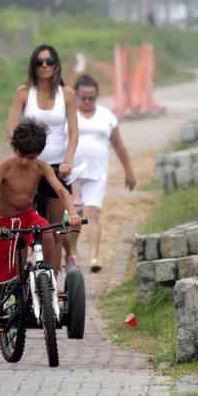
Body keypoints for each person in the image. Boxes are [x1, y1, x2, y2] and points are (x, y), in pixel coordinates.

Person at [0, 118, 81, 363]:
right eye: (23, 156)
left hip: (28, 217)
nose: (26, 162)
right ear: (14, 148)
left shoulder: (41, 167)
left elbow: (61, 191)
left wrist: (72, 213)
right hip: (5, 223)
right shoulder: (4, 167)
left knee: (47, 232)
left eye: (32, 157)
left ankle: (46, 277)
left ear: (39, 153)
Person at [6, 44, 78, 272]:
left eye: (49, 62)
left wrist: (68, 160)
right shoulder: (24, 93)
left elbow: (74, 131)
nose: (45, 66)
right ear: (33, 66)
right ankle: (17, 280)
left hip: (57, 166)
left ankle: (52, 284)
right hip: (29, 165)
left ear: (57, 65)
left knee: (55, 230)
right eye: (39, 62)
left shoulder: (66, 95)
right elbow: (11, 129)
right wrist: (22, 155)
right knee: (21, 228)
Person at [72, 74, 135, 273]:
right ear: (76, 95)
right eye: (83, 98)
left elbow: (118, 145)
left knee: (93, 213)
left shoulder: (106, 116)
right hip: (71, 174)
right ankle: (72, 251)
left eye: (92, 98)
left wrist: (129, 171)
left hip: (97, 173)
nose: (87, 102)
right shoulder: (69, 115)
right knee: (74, 215)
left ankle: (93, 256)